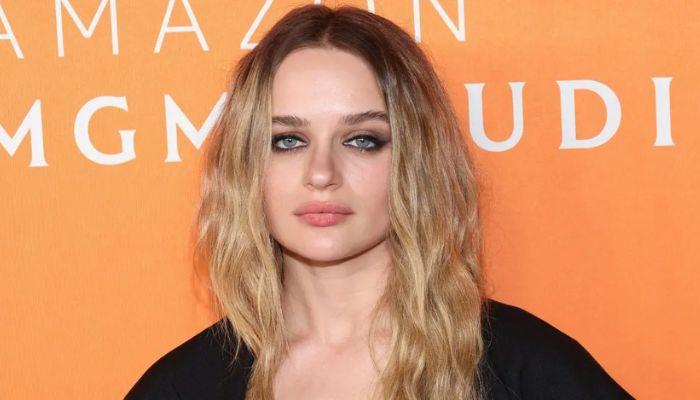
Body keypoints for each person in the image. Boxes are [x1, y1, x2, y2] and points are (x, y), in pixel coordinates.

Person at [125, 4, 635, 400]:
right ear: (244, 164)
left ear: (417, 158)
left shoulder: (529, 370)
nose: (321, 173)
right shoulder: (183, 386)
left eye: (362, 140)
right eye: (287, 140)